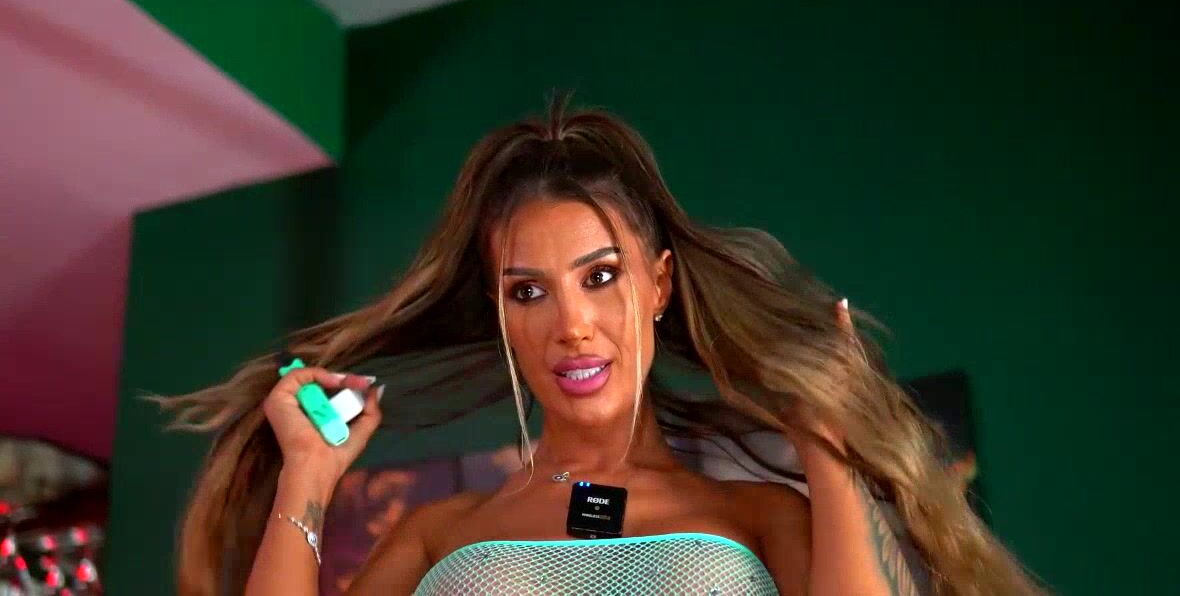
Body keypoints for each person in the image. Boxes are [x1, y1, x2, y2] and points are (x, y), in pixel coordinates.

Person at [158, 99, 1042, 595]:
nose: (571, 324)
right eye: (528, 291)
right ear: (502, 315)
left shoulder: (761, 519)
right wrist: (307, 476)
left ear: (658, 285)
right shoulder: (437, 536)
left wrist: (828, 436)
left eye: (602, 275)